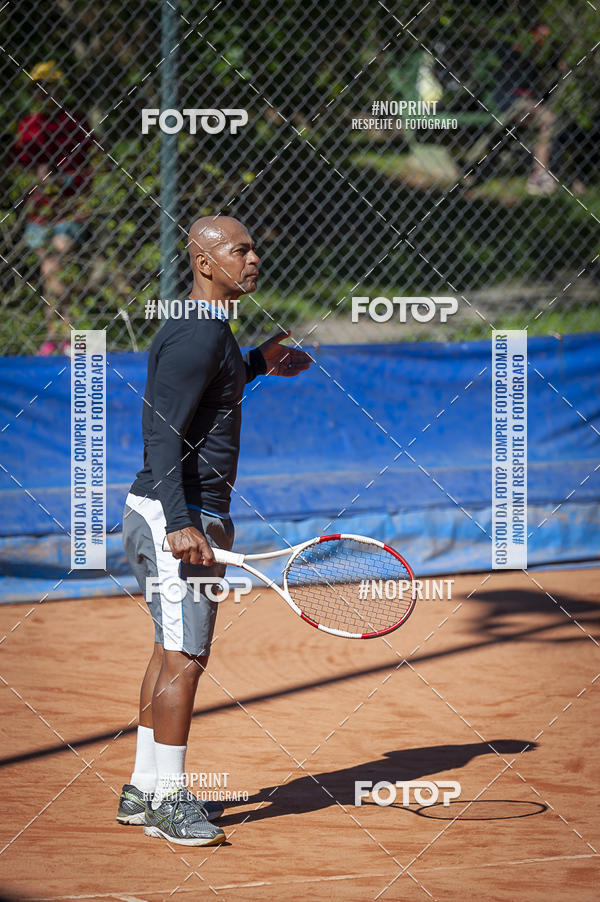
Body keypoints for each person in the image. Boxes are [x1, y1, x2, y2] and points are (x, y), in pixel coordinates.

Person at [118, 215, 312, 845]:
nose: (254, 258)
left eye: (255, 247)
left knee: (166, 650)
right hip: (178, 513)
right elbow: (162, 431)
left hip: (181, 510)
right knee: (185, 659)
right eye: (240, 250)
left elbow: (205, 397)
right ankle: (171, 802)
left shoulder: (214, 332)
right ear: (204, 262)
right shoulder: (197, 336)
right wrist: (181, 522)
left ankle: (144, 788)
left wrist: (258, 361)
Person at [13, 61, 92, 354]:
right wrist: (35, 177)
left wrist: (65, 182)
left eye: (48, 86)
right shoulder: (28, 125)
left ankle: (65, 336)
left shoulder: (76, 122)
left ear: (59, 88)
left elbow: (92, 164)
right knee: (50, 273)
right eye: (37, 88)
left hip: (70, 207)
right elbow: (19, 165)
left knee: (56, 265)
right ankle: (58, 337)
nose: (43, 93)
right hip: (39, 211)